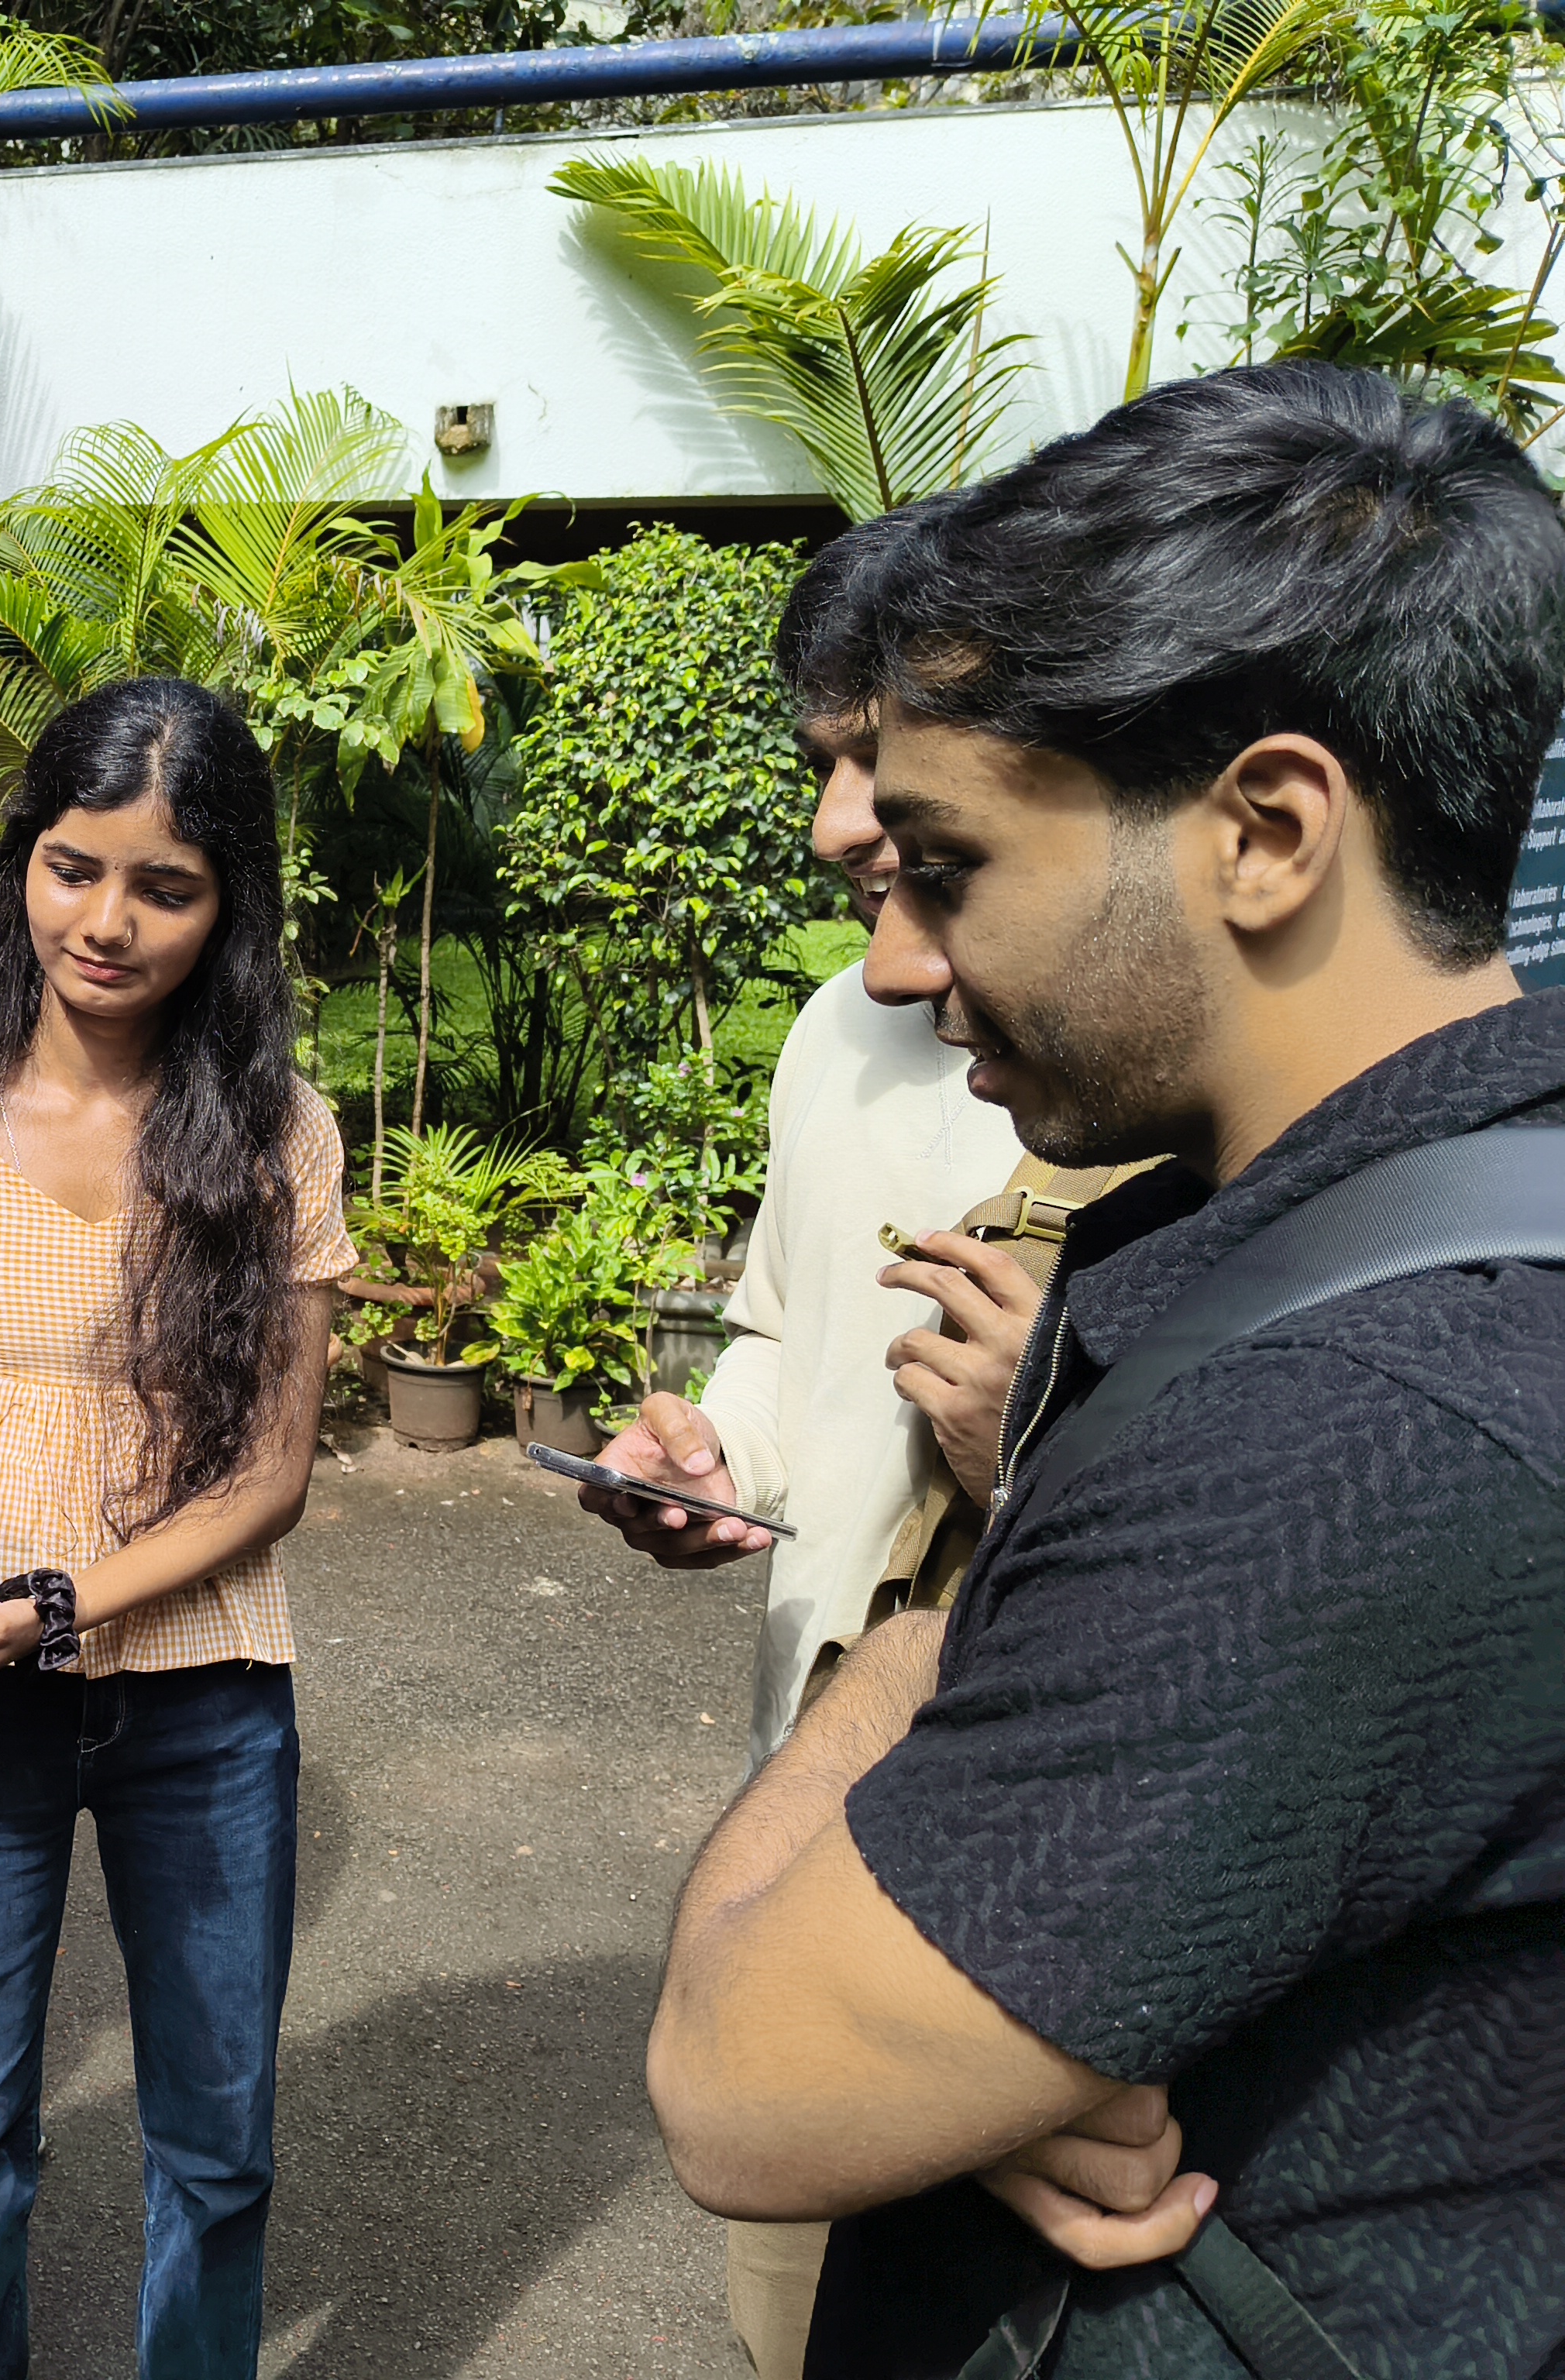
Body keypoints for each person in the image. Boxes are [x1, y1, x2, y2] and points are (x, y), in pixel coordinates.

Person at [645, 363, 1565, 2378]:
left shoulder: (1349, 1429)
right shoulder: (1419, 1235)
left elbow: (741, 2078)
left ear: (1267, 831)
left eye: (951, 866)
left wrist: (913, 1658)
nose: (901, 962)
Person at [571, 521, 1076, 2379]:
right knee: (791, 2325)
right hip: (819, 1810)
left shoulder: (1162, 1086)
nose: (832, 822)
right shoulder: (830, 1033)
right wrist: (716, 1451)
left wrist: (1040, 1432)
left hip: (1060, 1877)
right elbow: (790, 1333)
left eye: (868, 762)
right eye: (825, 765)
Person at [0, 676, 356, 2380]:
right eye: (73, 867)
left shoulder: (275, 1134)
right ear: (22, 864)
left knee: (221, 2136)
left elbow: (271, 1476)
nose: (106, 923)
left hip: (203, 1698)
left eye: (165, 887)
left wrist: (59, 1607)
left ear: (227, 909)